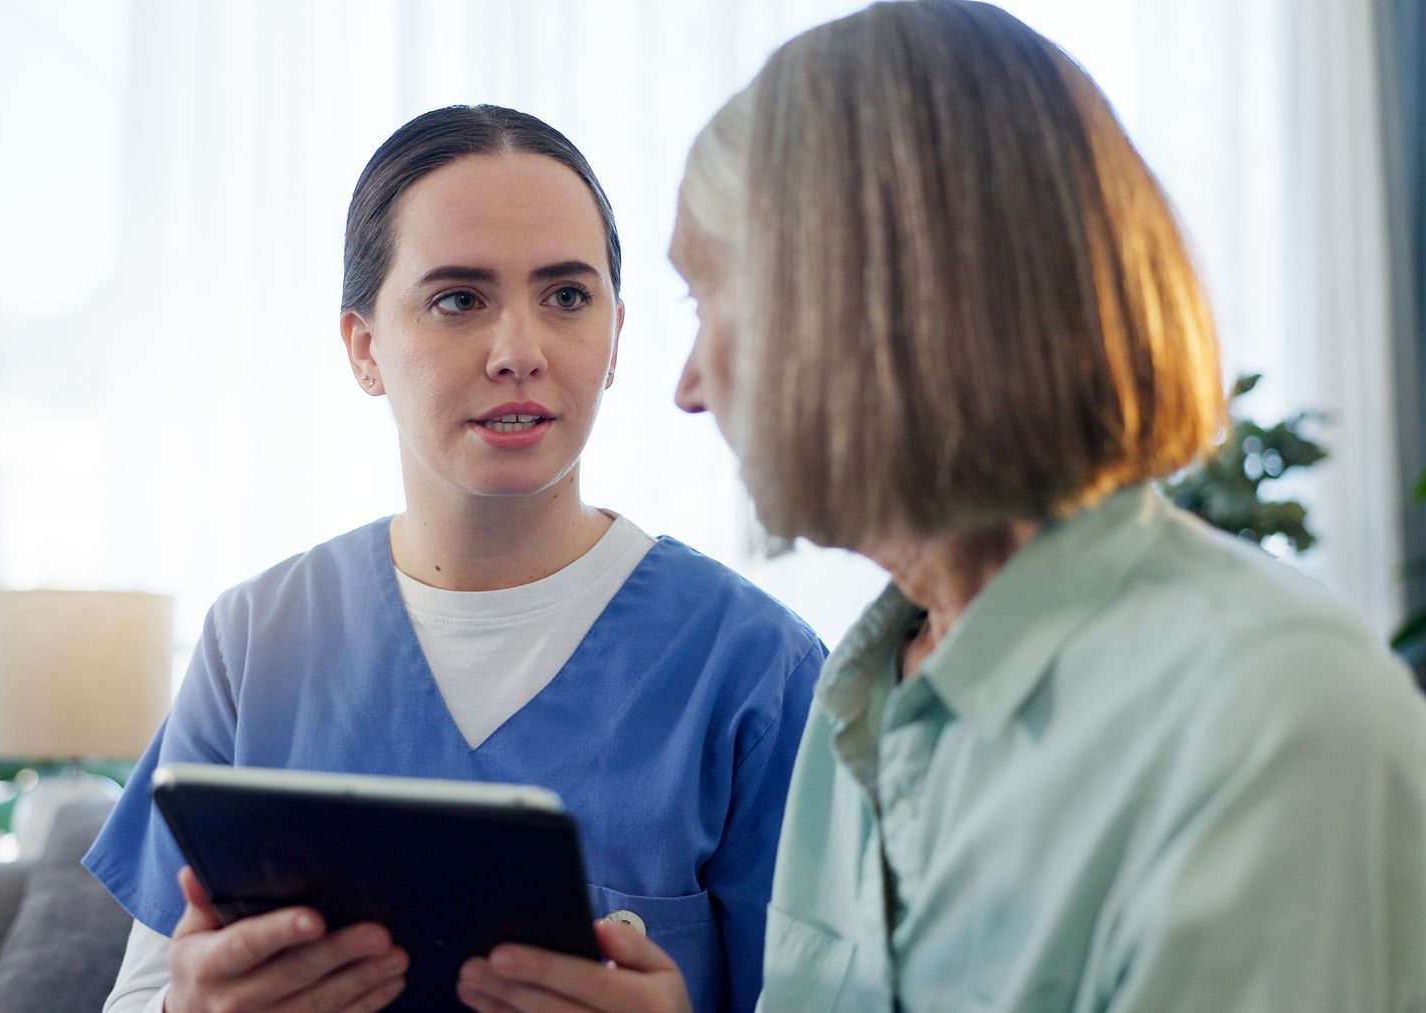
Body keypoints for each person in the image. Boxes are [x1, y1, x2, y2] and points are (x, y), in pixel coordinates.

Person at [456, 3, 1426, 1011]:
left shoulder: (1272, 719)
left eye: (708, 302)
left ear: (870, 304)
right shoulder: (860, 702)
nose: (689, 385)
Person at [83, 104, 826, 1013]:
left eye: (566, 296)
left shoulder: (754, 668)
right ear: (365, 349)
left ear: (617, 336)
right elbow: (142, 993)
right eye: (458, 300)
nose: (519, 351)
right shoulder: (255, 643)